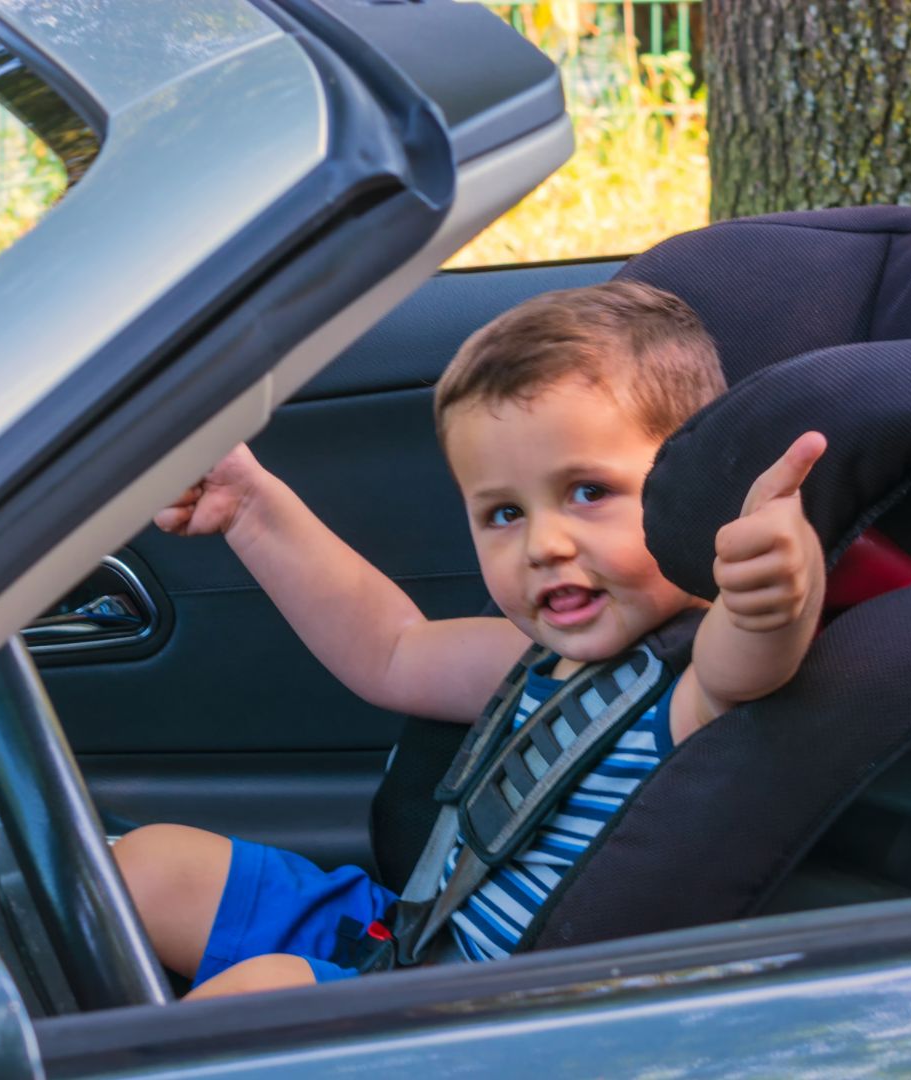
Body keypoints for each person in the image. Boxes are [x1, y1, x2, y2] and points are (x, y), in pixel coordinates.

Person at [113, 280, 827, 999]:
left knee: (262, 991)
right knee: (149, 867)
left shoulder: (695, 690)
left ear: (698, 490)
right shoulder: (537, 663)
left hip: (482, 1022)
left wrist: (775, 583)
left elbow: (758, 652)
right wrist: (251, 509)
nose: (544, 544)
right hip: (409, 937)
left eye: (588, 492)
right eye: (504, 513)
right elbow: (391, 649)